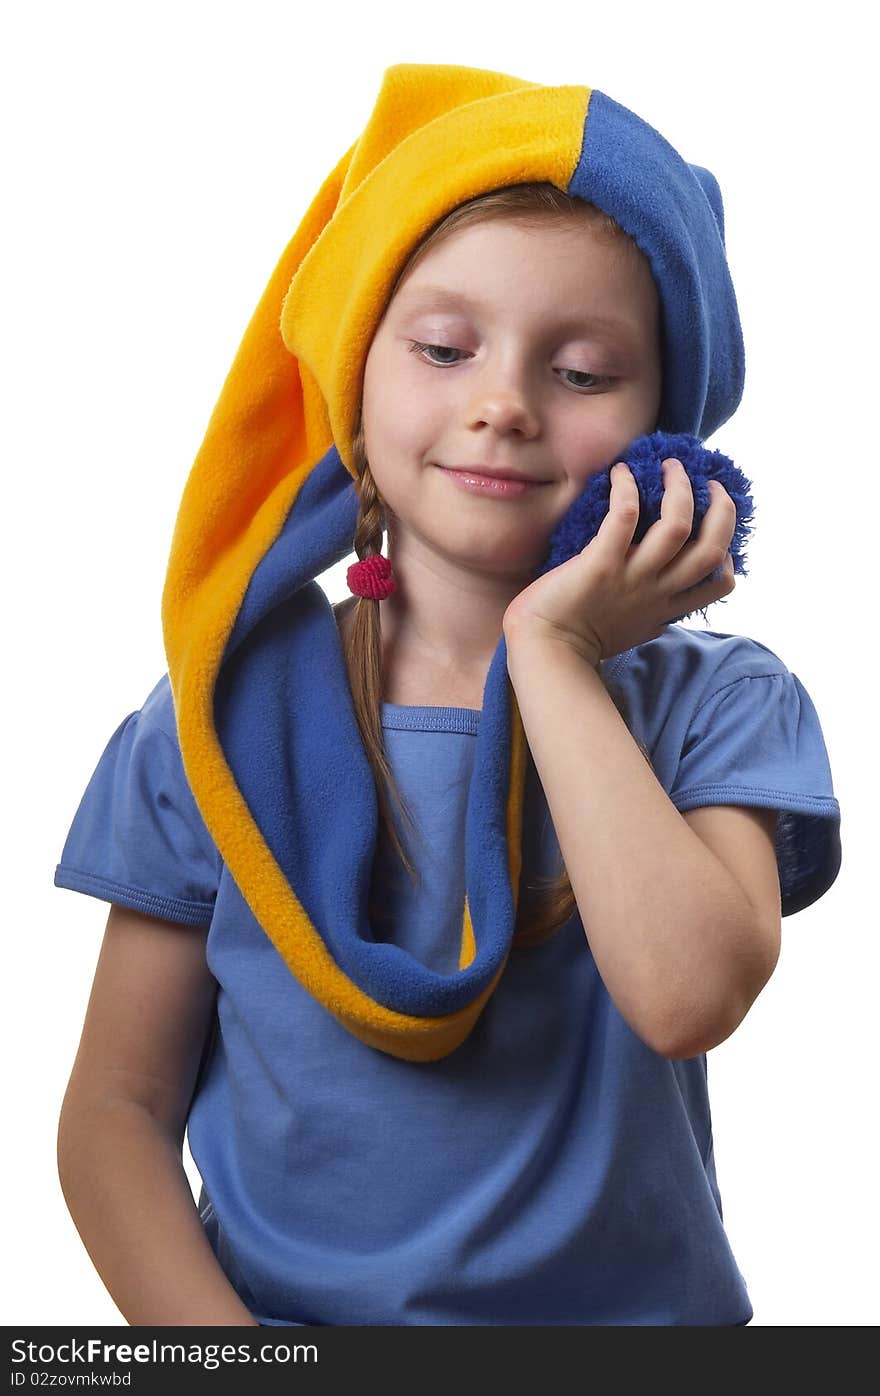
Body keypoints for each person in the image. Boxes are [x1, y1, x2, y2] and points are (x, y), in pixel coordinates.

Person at [53, 63, 842, 1327]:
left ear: (664, 433)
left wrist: (552, 650)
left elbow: (687, 995)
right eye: (442, 348)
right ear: (356, 373)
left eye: (583, 372)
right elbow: (115, 1110)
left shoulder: (717, 705)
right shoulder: (214, 720)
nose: (504, 404)